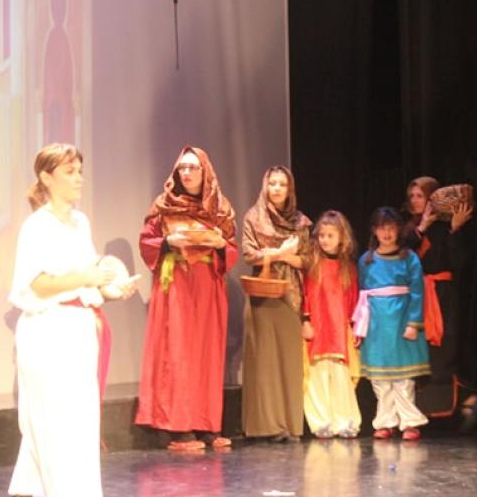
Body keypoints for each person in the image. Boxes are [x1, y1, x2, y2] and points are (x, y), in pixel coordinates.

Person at [7, 143, 135, 497]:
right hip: (48, 330)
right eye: (69, 172)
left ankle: (25, 492)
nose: (79, 178)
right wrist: (86, 277)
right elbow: (38, 283)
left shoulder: (80, 222)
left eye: (80, 170)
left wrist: (112, 289)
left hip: (79, 328)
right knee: (56, 423)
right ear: (47, 178)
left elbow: (89, 277)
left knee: (77, 421)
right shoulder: (37, 226)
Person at [135, 146, 237, 451]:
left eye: (193, 167)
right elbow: (147, 241)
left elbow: (231, 247)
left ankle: (206, 424)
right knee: (178, 352)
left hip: (207, 285)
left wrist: (220, 244)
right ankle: (179, 429)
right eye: (182, 168)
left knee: (207, 353)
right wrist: (169, 241)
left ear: (206, 172)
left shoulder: (219, 208)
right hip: (177, 282)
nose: (187, 173)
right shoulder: (164, 205)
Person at [242, 166, 311, 442]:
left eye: (282, 184)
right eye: (272, 183)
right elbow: (249, 254)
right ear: (265, 186)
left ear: (289, 188)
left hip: (291, 293)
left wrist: (283, 256)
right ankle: (266, 426)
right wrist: (280, 253)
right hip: (263, 293)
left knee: (289, 360)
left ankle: (290, 425)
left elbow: (308, 259)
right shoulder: (253, 217)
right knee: (264, 361)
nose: (277, 189)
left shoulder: (301, 222)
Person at [400, 177, 474, 422]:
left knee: (445, 346)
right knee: (419, 349)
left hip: (442, 295)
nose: (415, 201)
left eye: (420, 196)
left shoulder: (444, 228)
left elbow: (458, 262)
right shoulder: (409, 229)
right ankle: (419, 407)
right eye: (412, 196)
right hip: (417, 295)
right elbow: (401, 258)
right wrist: (421, 228)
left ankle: (446, 404)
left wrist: (455, 230)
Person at [355, 207, 430, 440]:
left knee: (403, 378)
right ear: (374, 231)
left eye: (391, 228)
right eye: (381, 228)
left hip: (401, 320)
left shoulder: (409, 258)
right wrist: (360, 325)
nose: (386, 233)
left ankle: (409, 422)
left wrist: (413, 323)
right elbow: (362, 294)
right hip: (376, 325)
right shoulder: (366, 260)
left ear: (399, 230)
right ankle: (385, 422)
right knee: (380, 379)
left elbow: (417, 292)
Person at [302, 210, 362, 439]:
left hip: (339, 330)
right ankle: (321, 421)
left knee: (340, 376)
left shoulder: (349, 268)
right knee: (317, 375)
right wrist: (305, 320)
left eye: (330, 236)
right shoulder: (312, 265)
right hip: (317, 327)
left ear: (341, 238)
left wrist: (354, 326)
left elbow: (354, 300)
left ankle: (346, 420)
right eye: (321, 235)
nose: (325, 240)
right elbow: (304, 295)